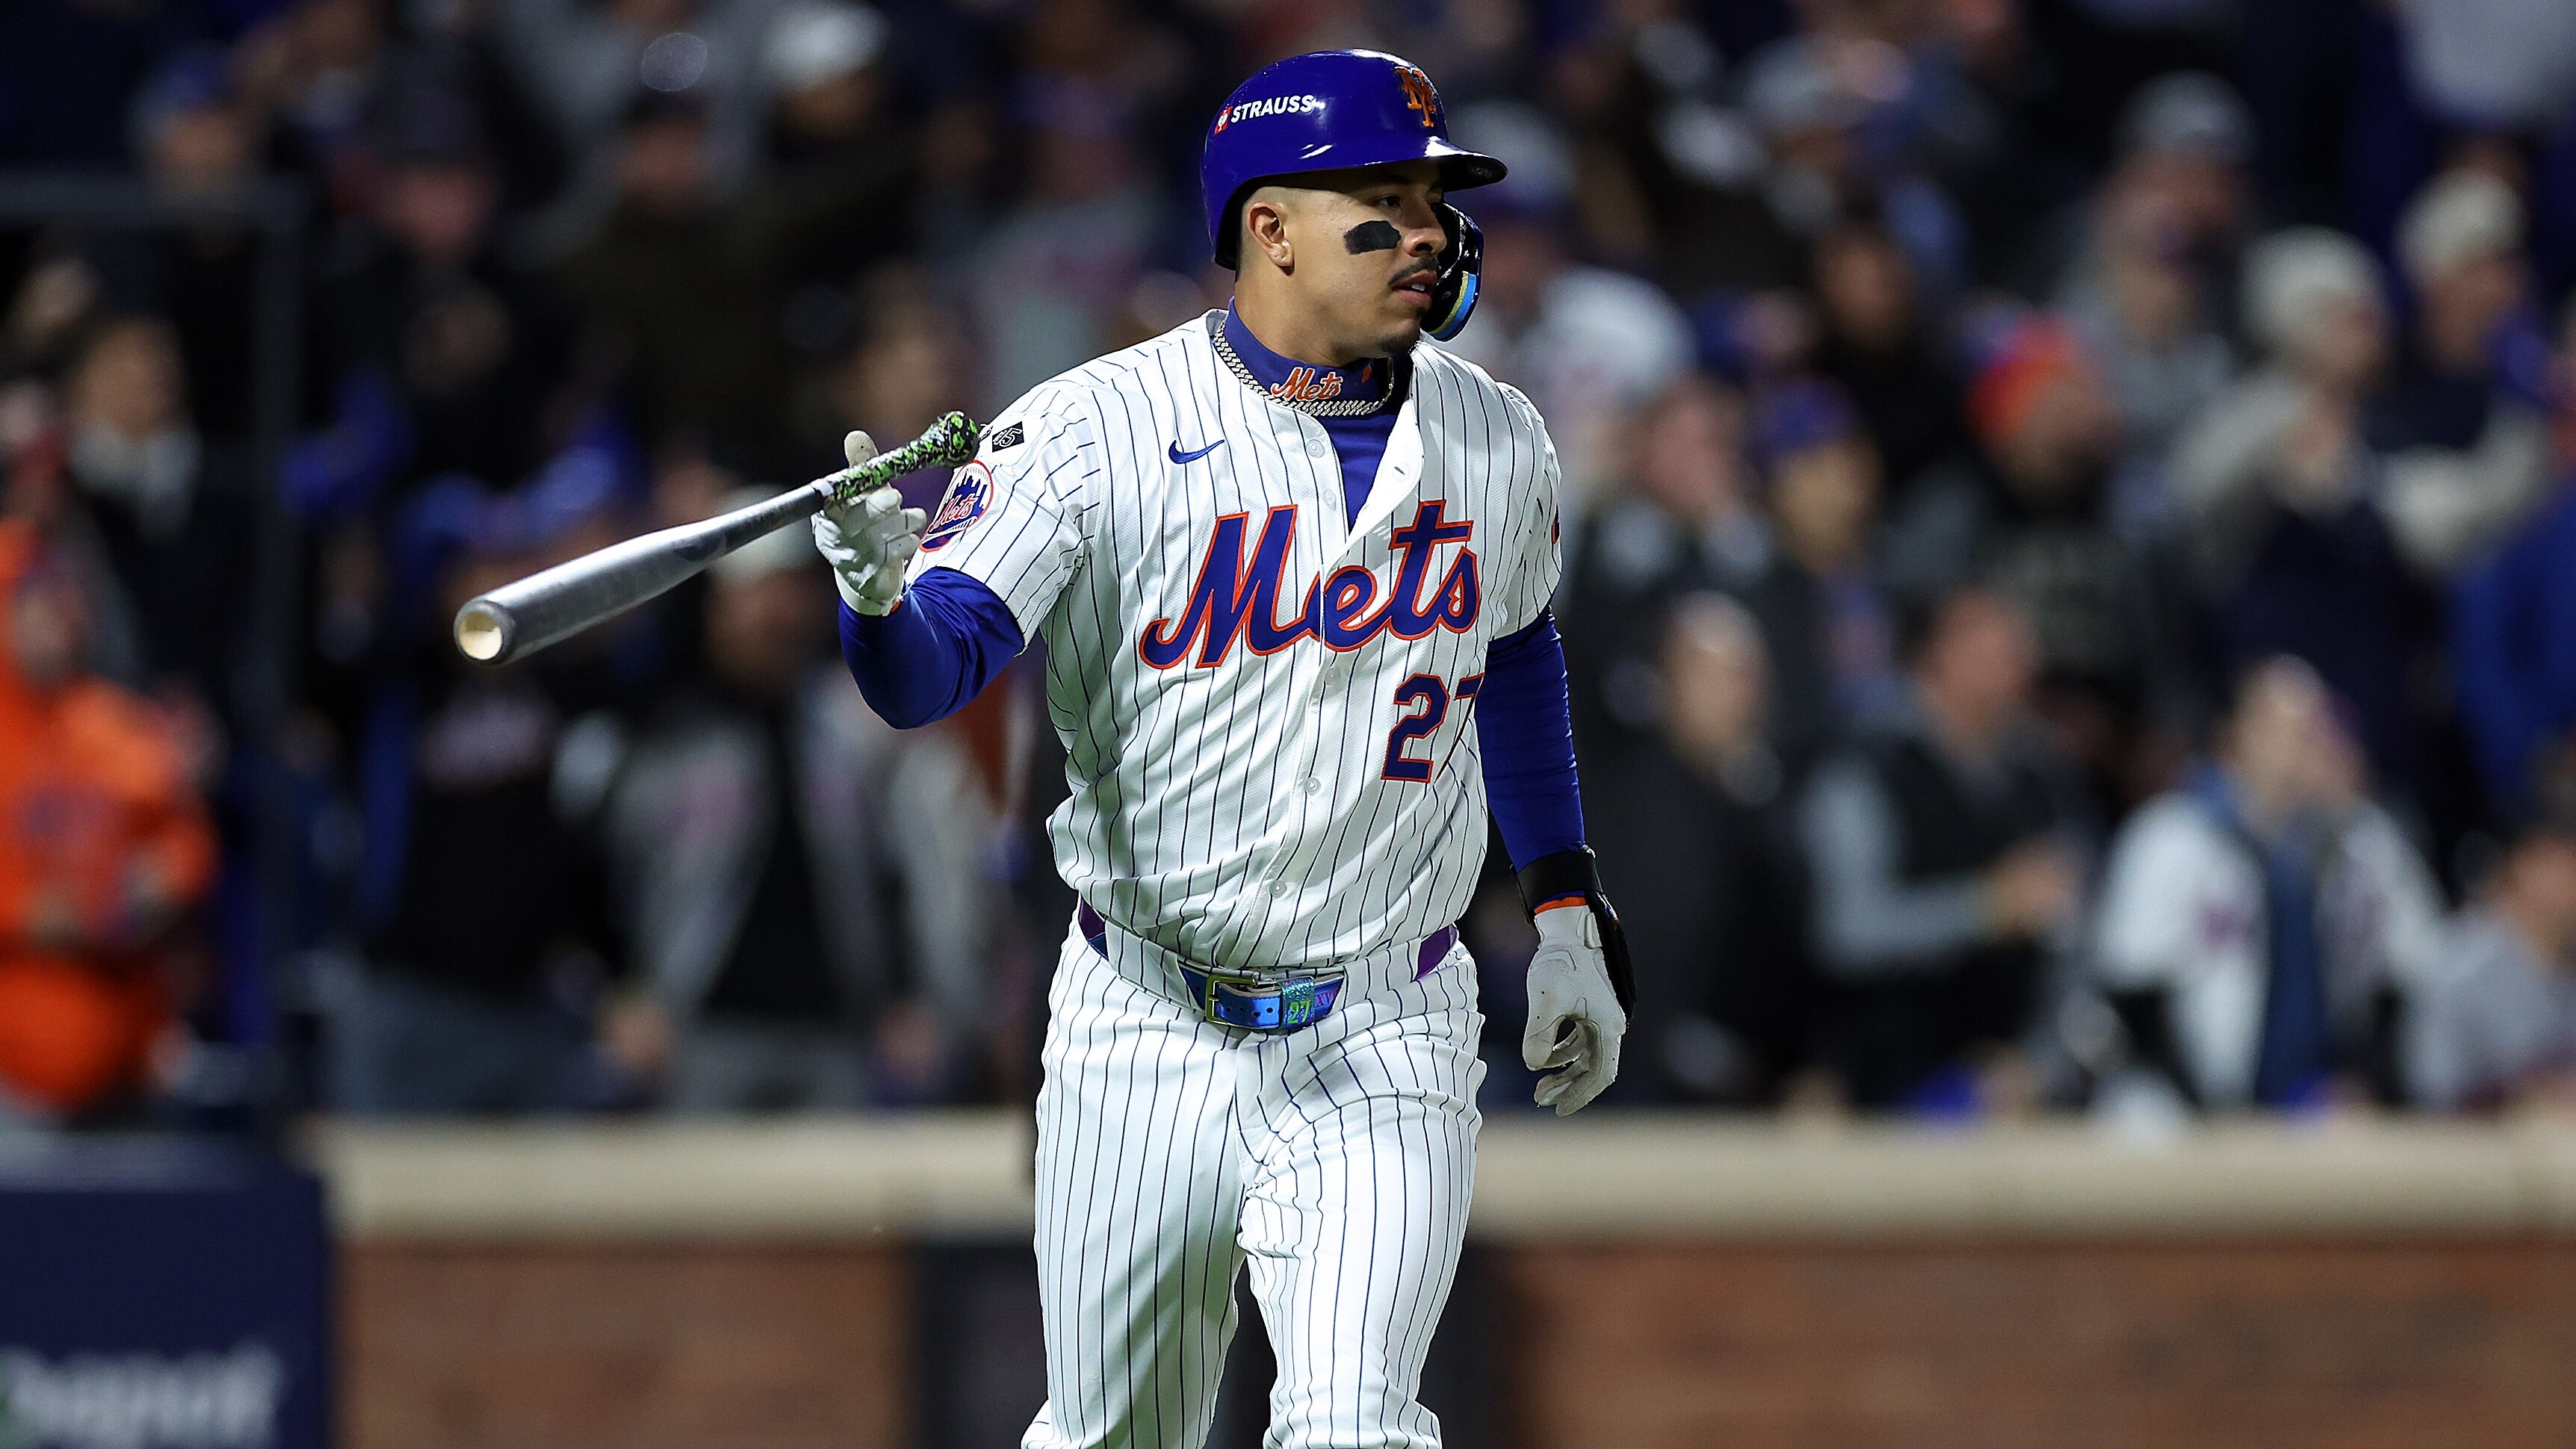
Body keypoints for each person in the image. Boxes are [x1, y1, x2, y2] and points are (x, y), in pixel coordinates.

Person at [812, 50, 1629, 1448]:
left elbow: (1511, 652)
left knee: (1356, 1429)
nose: (1428, 235)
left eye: (1432, 204)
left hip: (1387, 1020)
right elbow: (930, 677)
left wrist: (1563, 906)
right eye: (1384, 204)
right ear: (1271, 228)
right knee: (1120, 1436)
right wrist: (878, 603)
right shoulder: (1092, 426)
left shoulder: (1499, 433)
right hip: (1146, 1021)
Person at [599, 498, 994, 1111]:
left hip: (843, 1037)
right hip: (698, 1035)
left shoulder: (863, 729)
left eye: (788, 591)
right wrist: (618, 994)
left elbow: (929, 870)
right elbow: (599, 878)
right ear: (715, 607)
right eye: (752, 593)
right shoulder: (662, 736)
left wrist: (930, 1002)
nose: (773, 613)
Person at [2092, 659, 2444, 1113]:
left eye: (2312, 729)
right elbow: (2133, 990)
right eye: (2280, 728)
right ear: (2236, 735)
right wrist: (2206, 1108)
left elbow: (2403, 980)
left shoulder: (2360, 846)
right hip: (2177, 1099)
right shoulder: (2171, 837)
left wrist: (2364, 1082)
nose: (2298, 745)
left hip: (2311, 1098)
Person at [1799, 583, 2088, 1111]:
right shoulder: (1867, 766)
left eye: (2017, 651)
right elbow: (1846, 931)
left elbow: (2075, 942)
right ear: (1937, 654)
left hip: (2005, 1086)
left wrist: (2039, 1063)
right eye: (1987, 649)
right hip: (1878, 1083)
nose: (2012, 667)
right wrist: (1984, 906)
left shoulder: (2042, 780)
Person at [0, 522, 216, 1123]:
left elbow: (188, 843)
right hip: (13, 1084)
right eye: (33, 603)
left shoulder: (116, 724)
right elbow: (43, 912)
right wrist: (32, 912)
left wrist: (157, 884)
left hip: (128, 1068)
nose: (55, 618)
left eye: (64, 600)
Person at [1586, 595, 1811, 1104]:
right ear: (1665, 686)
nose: (1740, 695)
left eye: (1749, 676)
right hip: (1638, 1073)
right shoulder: (1627, 805)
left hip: (1764, 1072)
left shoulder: (1771, 797)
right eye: (1717, 676)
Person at [2406, 813, 2576, 1111]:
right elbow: (2430, 1091)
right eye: (2564, 865)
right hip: (2467, 1137)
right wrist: (2517, 1095)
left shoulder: (2564, 965)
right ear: (2522, 868)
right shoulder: (2459, 965)